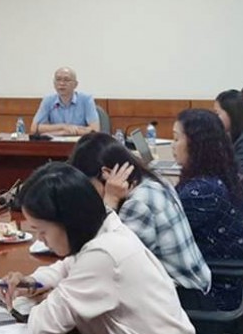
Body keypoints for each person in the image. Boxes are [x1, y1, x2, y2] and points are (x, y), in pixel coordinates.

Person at [0, 162, 194, 334]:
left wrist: (40, 298)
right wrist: (33, 282)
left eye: (42, 231)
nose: (40, 240)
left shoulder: (104, 255)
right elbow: (69, 265)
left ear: (68, 222)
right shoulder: (103, 228)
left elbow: (42, 326)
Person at [67, 132, 211, 308]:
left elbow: (109, 262)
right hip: (186, 289)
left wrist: (109, 202)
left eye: (90, 186)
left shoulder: (138, 203)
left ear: (106, 174)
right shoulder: (152, 180)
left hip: (183, 300)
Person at [171, 109, 243, 312]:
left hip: (212, 295)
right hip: (215, 279)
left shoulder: (202, 192)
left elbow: (161, 237)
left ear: (196, 144)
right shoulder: (212, 178)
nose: (172, 145)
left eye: (176, 139)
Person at [31, 67, 100, 136]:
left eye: (66, 80)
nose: (61, 83)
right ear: (54, 83)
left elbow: (95, 129)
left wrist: (63, 132)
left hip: (80, 141)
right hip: (56, 142)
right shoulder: (48, 100)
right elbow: (34, 128)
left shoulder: (86, 99)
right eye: (58, 79)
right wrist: (63, 127)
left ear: (75, 84)